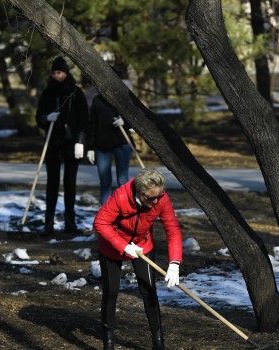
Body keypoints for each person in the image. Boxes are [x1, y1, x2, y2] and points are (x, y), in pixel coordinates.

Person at [93, 168, 182, 350]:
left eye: (159, 196)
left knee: (149, 290)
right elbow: (100, 222)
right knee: (111, 292)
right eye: (151, 198)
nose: (156, 201)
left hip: (143, 245)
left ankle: (158, 342)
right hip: (112, 246)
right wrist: (124, 246)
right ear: (140, 193)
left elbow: (172, 229)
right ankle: (108, 341)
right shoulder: (121, 197)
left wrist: (174, 263)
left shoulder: (160, 199)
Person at [35, 56, 89, 234]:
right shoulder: (48, 93)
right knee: (52, 183)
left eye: (59, 72)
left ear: (66, 73)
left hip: (71, 143)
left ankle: (70, 222)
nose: (56, 75)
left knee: (70, 184)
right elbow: (39, 117)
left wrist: (81, 142)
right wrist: (46, 118)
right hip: (52, 143)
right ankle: (48, 223)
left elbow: (83, 119)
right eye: (53, 72)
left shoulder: (75, 92)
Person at [87, 80, 134, 204]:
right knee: (105, 181)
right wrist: (90, 147)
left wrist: (124, 121)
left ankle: (125, 210)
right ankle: (106, 214)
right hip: (102, 146)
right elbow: (92, 124)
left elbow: (134, 118)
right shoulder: (97, 101)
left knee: (123, 181)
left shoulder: (122, 100)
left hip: (121, 143)